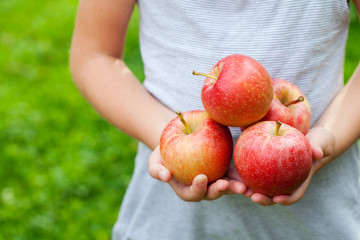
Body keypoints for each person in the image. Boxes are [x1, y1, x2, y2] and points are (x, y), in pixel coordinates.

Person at [70, 0, 360, 239]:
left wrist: (331, 135)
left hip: (317, 219)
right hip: (171, 221)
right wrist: (169, 140)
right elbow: (95, 55)